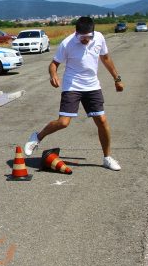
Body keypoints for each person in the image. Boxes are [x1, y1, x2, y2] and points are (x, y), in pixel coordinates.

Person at [23, 16, 124, 171]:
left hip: (92, 86)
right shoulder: (67, 43)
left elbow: (106, 58)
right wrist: (53, 75)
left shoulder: (99, 38)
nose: (86, 40)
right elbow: (54, 64)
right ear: (76, 33)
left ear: (93, 33)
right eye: (82, 37)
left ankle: (107, 158)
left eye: (89, 36)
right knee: (63, 122)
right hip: (72, 86)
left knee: (102, 121)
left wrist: (117, 78)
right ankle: (37, 137)